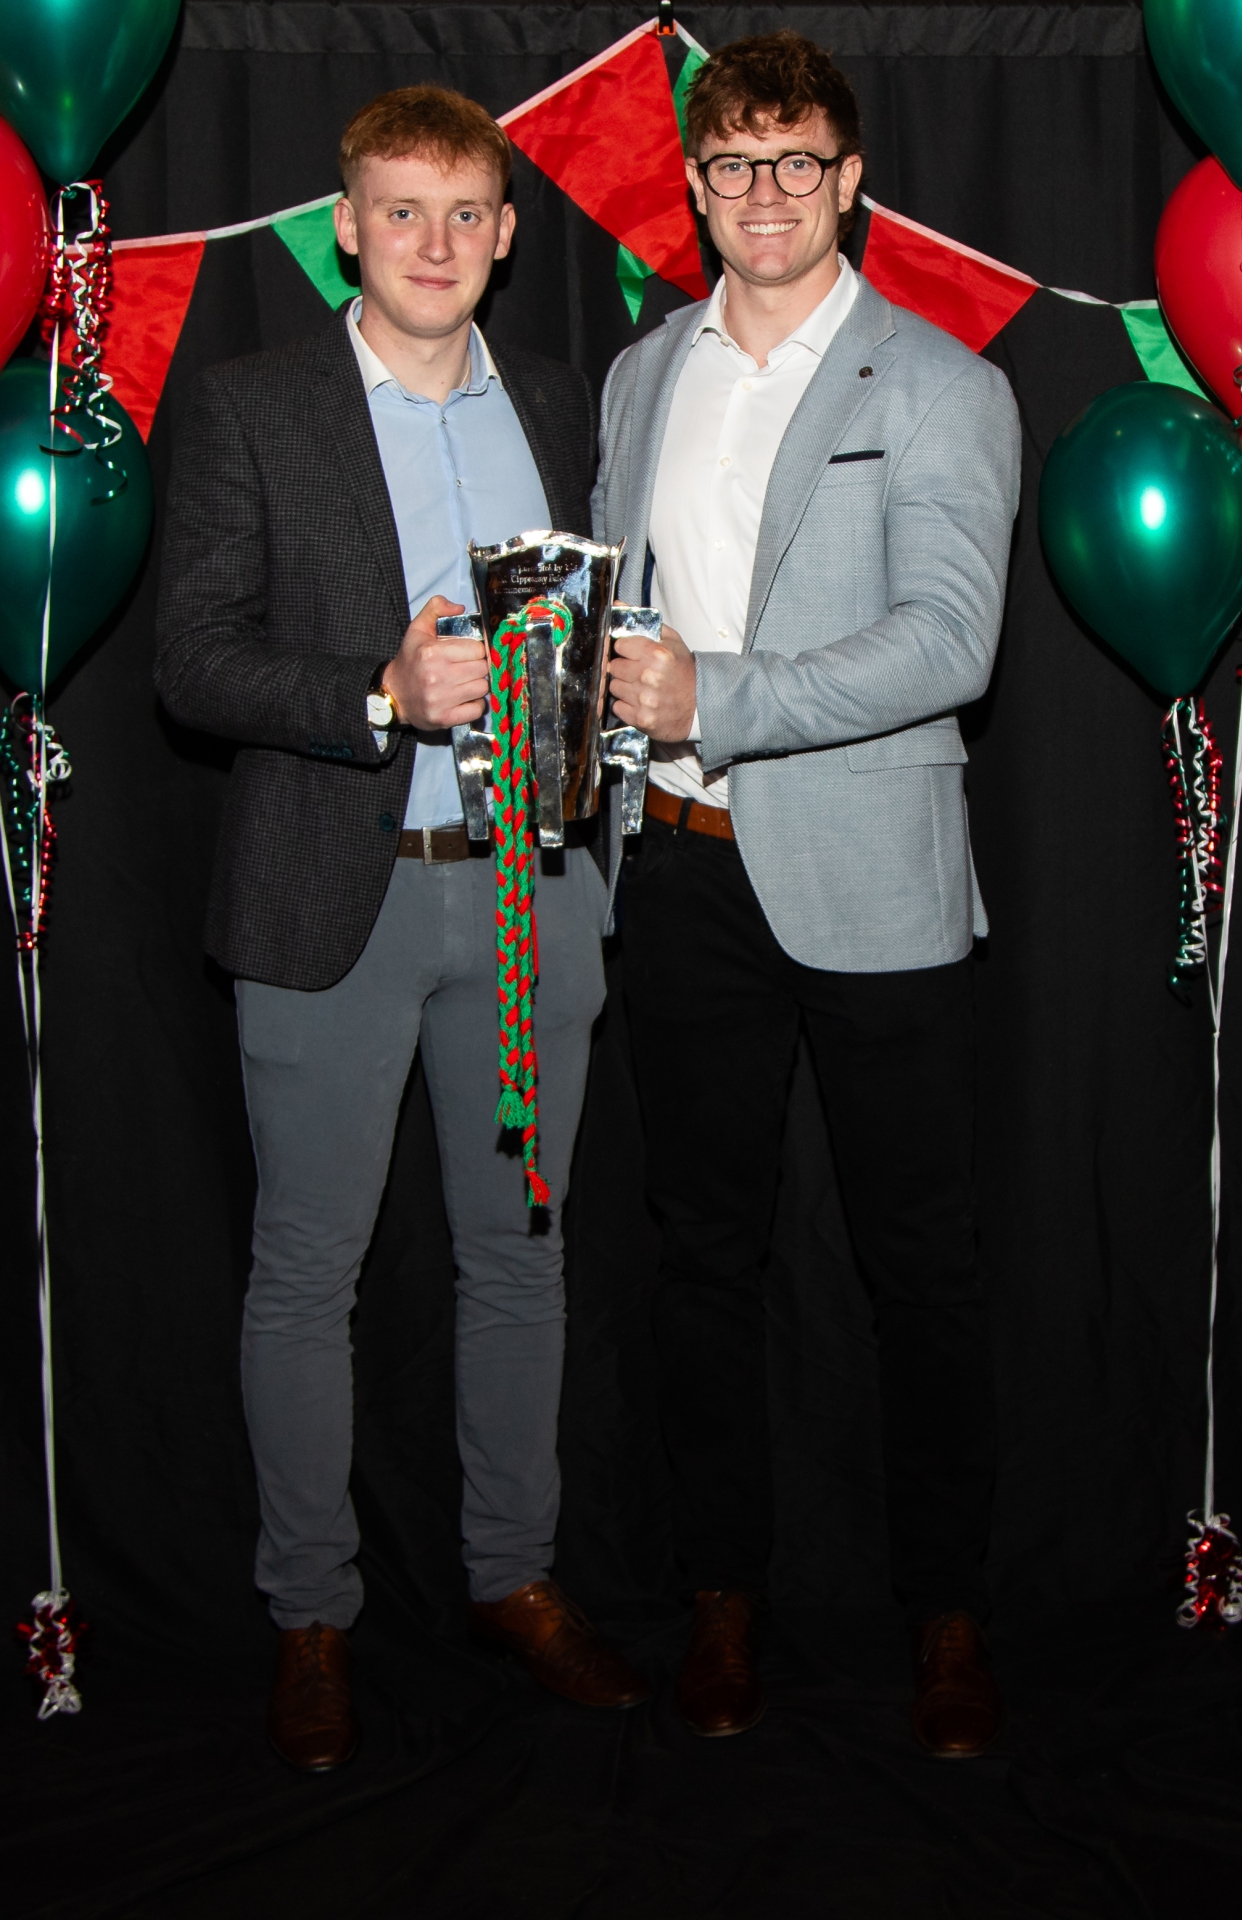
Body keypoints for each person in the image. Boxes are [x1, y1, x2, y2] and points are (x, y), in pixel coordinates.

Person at [156, 85, 648, 1772]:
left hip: (527, 893)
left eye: (464, 213)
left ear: (505, 235)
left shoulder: (565, 404)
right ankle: (311, 1614)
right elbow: (192, 659)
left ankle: (514, 1576)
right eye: (400, 210)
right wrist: (376, 692)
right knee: (309, 1268)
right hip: (331, 904)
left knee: (520, 1255)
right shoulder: (253, 406)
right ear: (345, 228)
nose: (433, 243)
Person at [593, 31, 1021, 1753]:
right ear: (695, 188)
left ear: (849, 181)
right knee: (702, 1258)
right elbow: (615, 621)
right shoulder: (642, 375)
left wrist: (719, 696)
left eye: (795, 162)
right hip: (677, 877)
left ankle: (947, 1616)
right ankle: (722, 1598)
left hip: (875, 886)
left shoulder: (942, 385)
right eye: (732, 164)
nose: (763, 193)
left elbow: (950, 643)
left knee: (922, 1269)